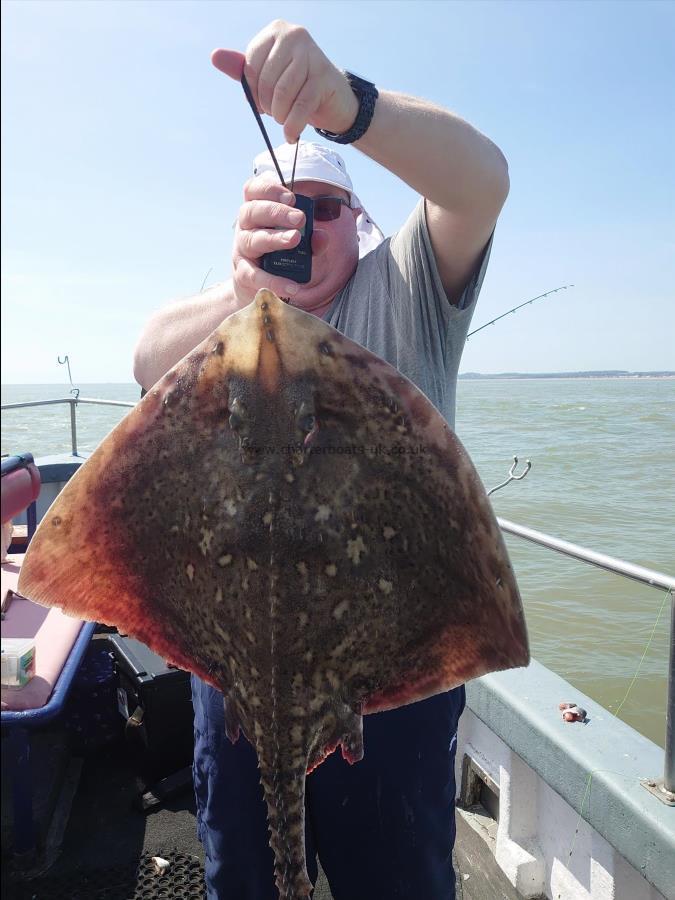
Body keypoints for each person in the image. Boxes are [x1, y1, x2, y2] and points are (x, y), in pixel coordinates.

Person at [134, 20, 509, 900]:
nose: (302, 225)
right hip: (237, 673)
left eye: (324, 208)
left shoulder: (406, 289)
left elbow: (482, 182)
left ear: (362, 221)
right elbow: (149, 354)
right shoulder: (226, 320)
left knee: (399, 883)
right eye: (280, 211)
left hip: (390, 677)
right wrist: (238, 297)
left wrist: (349, 107)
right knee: (247, 880)